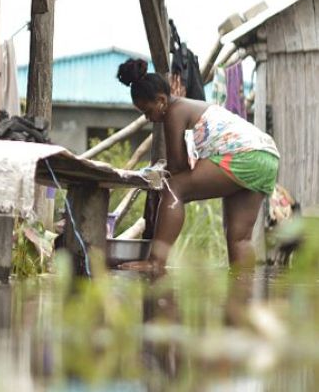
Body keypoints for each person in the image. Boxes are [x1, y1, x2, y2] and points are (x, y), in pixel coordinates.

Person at [115, 58, 279, 273]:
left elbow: (178, 168)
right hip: (266, 157)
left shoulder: (174, 112)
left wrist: (159, 175)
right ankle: (243, 287)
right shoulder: (189, 107)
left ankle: (156, 262)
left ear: (161, 100)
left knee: (173, 189)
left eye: (147, 111)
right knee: (240, 238)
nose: (148, 118)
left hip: (243, 155)